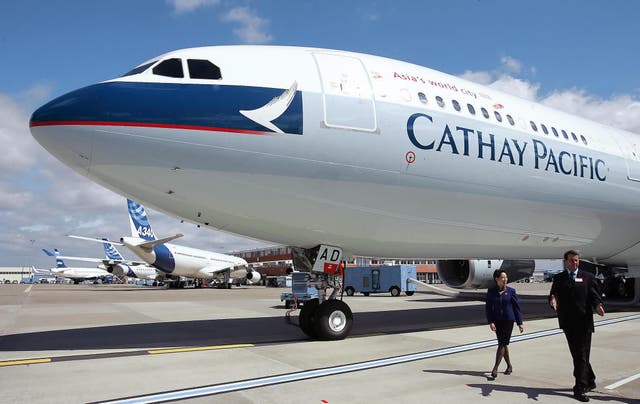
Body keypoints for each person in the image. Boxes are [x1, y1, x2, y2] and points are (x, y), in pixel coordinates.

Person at [550, 250, 605, 403]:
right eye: (572, 260)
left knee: (581, 355)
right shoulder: (559, 278)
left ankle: (579, 388)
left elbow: (594, 295)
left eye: (577, 260)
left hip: (584, 323)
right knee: (578, 354)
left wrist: (598, 305)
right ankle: (591, 379)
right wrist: (553, 300)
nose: (575, 263)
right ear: (566, 262)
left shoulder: (588, 277)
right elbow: (553, 293)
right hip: (568, 323)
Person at [485, 269, 524, 378]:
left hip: (508, 321)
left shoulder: (511, 291)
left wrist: (520, 322)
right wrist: (491, 321)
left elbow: (516, 308)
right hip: (497, 321)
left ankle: (495, 369)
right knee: (503, 344)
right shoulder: (491, 291)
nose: (505, 279)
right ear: (497, 279)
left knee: (502, 344)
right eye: (503, 277)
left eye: (506, 277)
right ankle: (509, 366)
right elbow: (488, 308)